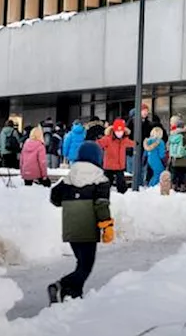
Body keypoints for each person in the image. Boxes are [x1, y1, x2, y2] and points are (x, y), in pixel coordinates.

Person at [48, 140, 113, 303]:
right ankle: (62, 285)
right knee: (86, 265)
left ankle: (73, 294)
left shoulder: (69, 177)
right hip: (88, 228)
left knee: (81, 262)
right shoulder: (100, 179)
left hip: (71, 228)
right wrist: (107, 225)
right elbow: (101, 205)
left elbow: (54, 197)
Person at [100, 118, 135, 193]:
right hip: (109, 166)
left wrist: (136, 143)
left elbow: (131, 143)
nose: (120, 133)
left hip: (119, 166)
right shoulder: (107, 139)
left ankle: (122, 195)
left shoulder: (124, 140)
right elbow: (99, 143)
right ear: (113, 130)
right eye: (118, 131)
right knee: (106, 182)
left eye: (121, 131)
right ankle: (103, 193)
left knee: (121, 182)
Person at [166, 118, 186, 192]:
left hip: (174, 157)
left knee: (175, 172)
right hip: (184, 156)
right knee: (184, 172)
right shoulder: (185, 134)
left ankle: (174, 185)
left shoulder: (172, 134)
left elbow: (168, 146)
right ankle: (183, 186)